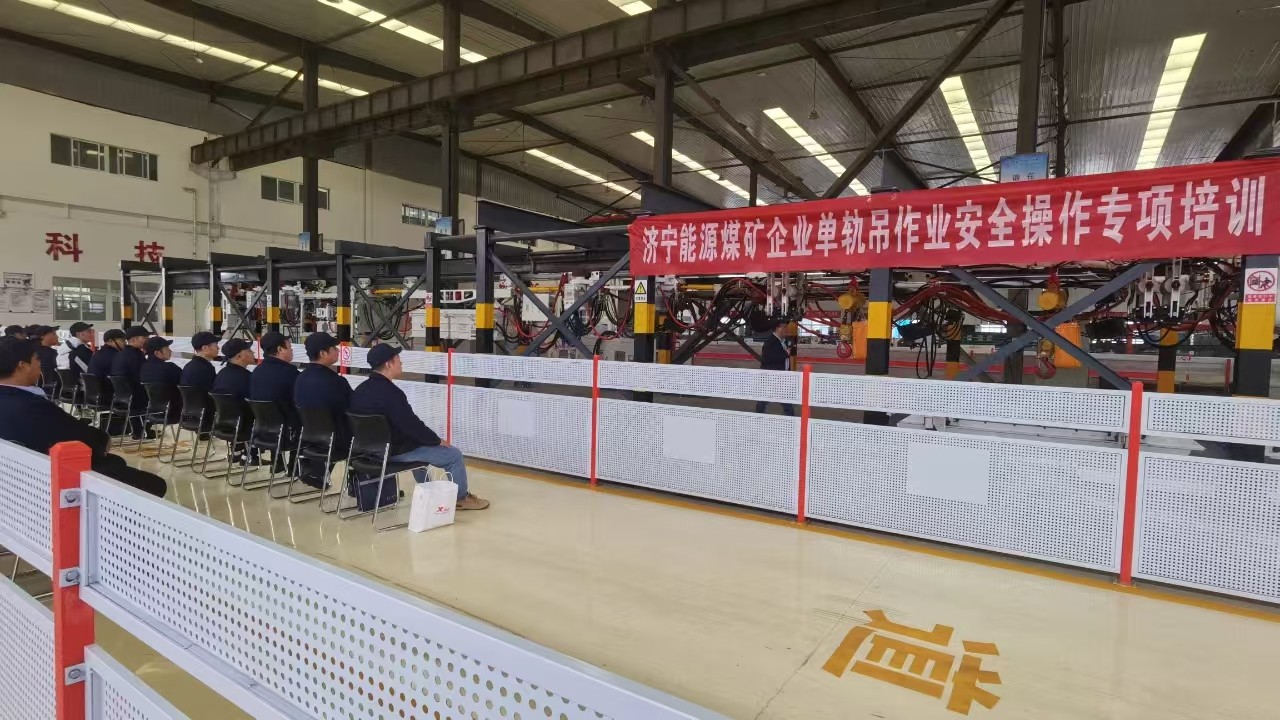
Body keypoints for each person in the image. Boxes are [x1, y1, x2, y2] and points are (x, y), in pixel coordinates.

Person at [0, 337, 166, 497]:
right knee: (154, 485)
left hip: (18, 478)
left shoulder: (15, 400)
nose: (40, 364)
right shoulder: (33, 406)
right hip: (54, 482)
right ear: (22, 365)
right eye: (36, 359)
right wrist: (102, 440)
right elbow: (89, 441)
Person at [350, 344, 489, 510]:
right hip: (395, 452)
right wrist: (437, 441)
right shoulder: (392, 393)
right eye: (397, 358)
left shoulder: (359, 391)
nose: (401, 362)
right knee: (453, 455)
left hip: (367, 452)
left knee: (418, 446)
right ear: (388, 364)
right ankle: (461, 498)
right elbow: (412, 426)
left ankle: (428, 493)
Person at [294, 332, 352, 487]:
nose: (338, 351)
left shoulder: (300, 379)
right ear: (323, 353)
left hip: (308, 440)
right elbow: (352, 408)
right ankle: (362, 487)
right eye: (334, 348)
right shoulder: (336, 382)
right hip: (337, 443)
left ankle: (316, 472)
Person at [250, 331, 300, 472]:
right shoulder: (291, 374)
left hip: (262, 431)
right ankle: (296, 468)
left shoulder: (256, 372)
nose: (292, 351)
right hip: (288, 434)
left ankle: (277, 462)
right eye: (289, 347)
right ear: (280, 350)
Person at [111, 326, 151, 438]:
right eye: (144, 338)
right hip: (136, 397)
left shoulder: (120, 354)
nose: (147, 340)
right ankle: (144, 429)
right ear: (133, 339)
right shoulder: (136, 356)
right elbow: (142, 377)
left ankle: (140, 430)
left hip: (121, 397)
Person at [755, 319, 796, 416]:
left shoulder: (784, 341)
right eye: (784, 327)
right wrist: (786, 353)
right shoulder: (770, 342)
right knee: (764, 399)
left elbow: (787, 358)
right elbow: (769, 358)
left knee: (785, 400)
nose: (787, 329)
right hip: (772, 377)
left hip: (782, 377)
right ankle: (758, 417)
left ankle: (790, 418)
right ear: (777, 328)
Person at [139, 336, 183, 424]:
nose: (170, 351)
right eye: (167, 348)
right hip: (175, 412)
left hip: (153, 412)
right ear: (157, 353)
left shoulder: (143, 368)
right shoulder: (170, 368)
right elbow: (186, 382)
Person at [86, 328, 126, 410]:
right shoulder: (115, 356)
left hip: (94, 397)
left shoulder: (97, 354)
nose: (125, 343)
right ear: (111, 340)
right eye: (122, 340)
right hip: (108, 397)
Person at [27, 325, 60, 394]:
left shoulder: (31, 350)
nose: (57, 337)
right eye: (54, 334)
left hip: (33, 386)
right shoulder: (51, 353)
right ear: (42, 336)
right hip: (51, 388)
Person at [63, 322, 95, 389]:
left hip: (68, 385)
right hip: (81, 385)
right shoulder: (79, 349)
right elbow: (91, 368)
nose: (92, 334)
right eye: (89, 332)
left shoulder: (65, 347)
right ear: (78, 334)